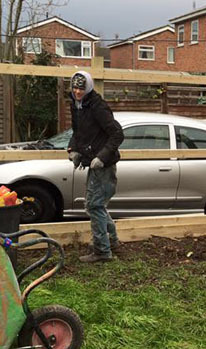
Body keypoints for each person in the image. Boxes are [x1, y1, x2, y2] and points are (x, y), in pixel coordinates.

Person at [67, 71, 125, 263]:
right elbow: (78, 131)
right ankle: (112, 241)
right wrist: (73, 149)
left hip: (103, 164)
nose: (77, 91)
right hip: (92, 161)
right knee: (95, 205)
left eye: (81, 89)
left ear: (89, 88)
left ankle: (102, 251)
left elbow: (117, 134)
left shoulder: (98, 107)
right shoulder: (77, 105)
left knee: (94, 205)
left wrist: (102, 156)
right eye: (75, 88)